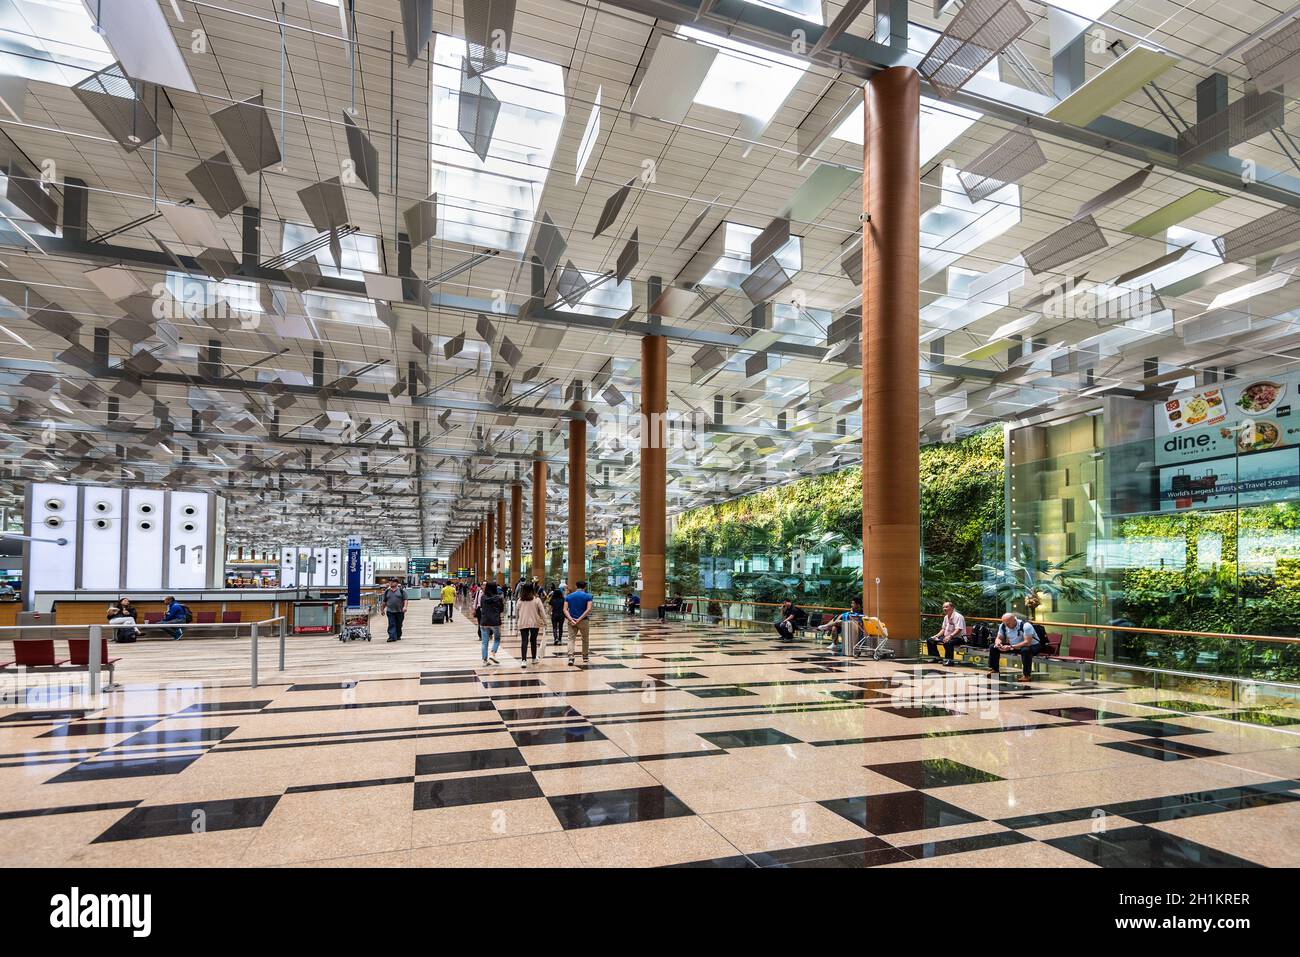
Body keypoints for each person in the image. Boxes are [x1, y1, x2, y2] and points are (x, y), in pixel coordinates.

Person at [988, 612, 1039, 683]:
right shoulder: (1003, 625)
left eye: (1008, 623)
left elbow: (1027, 642)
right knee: (993, 647)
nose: (1006, 625)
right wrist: (998, 643)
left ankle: (1027, 675)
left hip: (1032, 646)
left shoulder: (1026, 626)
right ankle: (994, 670)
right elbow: (999, 638)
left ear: (1014, 620)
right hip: (1014, 646)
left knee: (1025, 650)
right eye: (1005, 623)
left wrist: (1011, 647)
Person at [564, 580, 593, 666]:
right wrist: (579, 619)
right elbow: (589, 609)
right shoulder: (588, 596)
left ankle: (571, 657)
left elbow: (565, 609)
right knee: (585, 639)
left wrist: (571, 619)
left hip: (571, 621)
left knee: (571, 639)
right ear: (585, 587)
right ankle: (585, 656)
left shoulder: (568, 596)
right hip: (584, 621)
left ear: (576, 587)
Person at [516, 583, 546, 667]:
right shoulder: (537, 599)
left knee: (524, 641)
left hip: (523, 622)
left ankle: (523, 660)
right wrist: (545, 622)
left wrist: (517, 622)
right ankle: (533, 658)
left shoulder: (520, 600)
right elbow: (542, 612)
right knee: (533, 640)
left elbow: (517, 612)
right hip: (534, 622)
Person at [478, 582, 504, 665]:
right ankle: (493, 653)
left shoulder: (483, 597)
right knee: (497, 639)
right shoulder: (499, 598)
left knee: (484, 642)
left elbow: (481, 607)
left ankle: (484, 661)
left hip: (484, 621)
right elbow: (501, 609)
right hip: (495, 622)